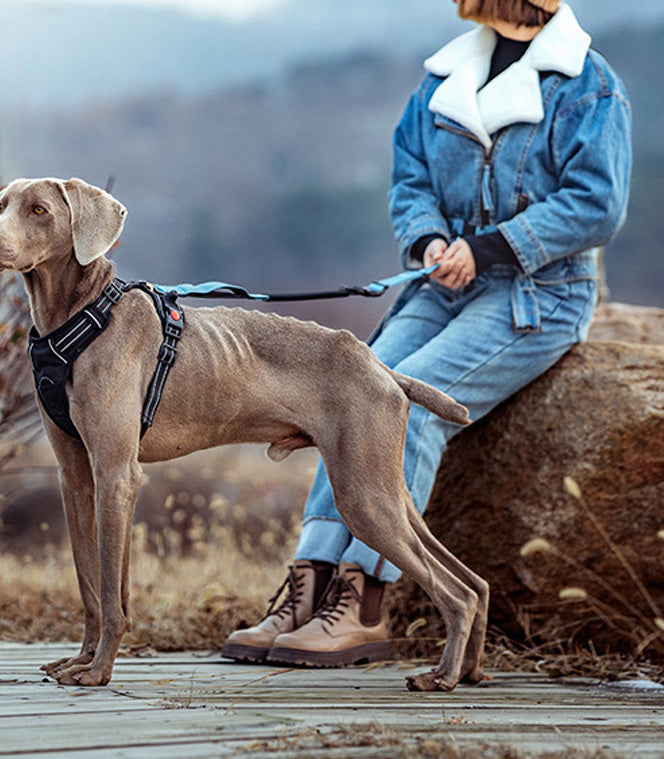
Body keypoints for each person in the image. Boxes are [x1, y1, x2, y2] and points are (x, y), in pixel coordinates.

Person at [221, 0, 632, 667]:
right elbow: (410, 178)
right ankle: (309, 583)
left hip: (540, 296)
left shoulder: (591, 84)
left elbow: (597, 203)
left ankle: (363, 601)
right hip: (440, 286)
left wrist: (492, 247)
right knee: (343, 398)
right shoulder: (443, 78)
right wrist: (432, 237)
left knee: (403, 408)